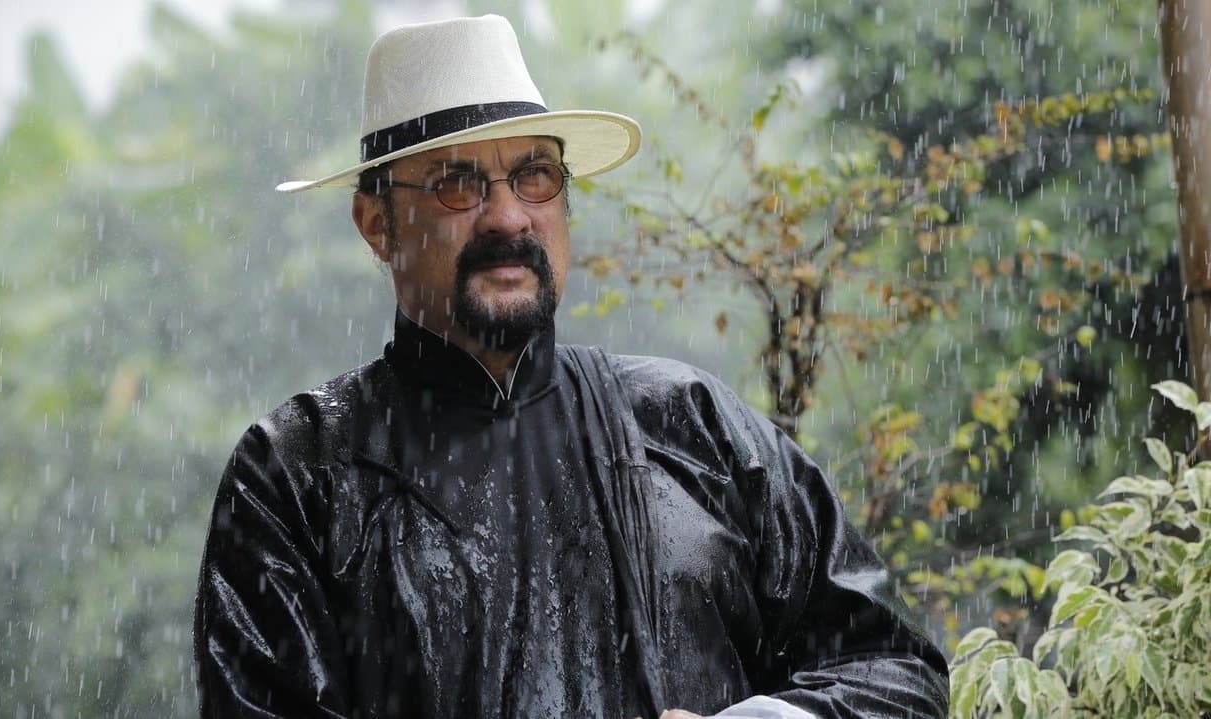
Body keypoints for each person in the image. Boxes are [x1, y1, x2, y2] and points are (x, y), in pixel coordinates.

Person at [193, 14, 949, 719]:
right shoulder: (300, 474)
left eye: (535, 175)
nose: (507, 217)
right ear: (377, 223)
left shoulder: (691, 426)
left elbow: (895, 669)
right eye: (457, 183)